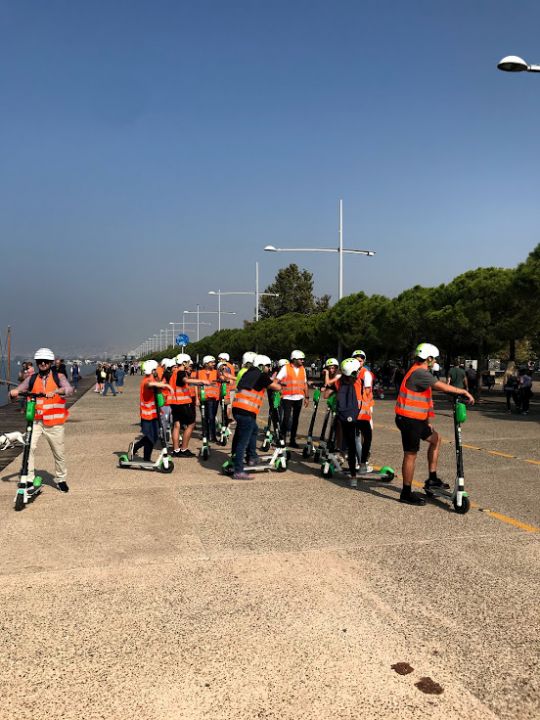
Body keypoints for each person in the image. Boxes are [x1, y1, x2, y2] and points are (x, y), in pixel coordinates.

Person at [395, 343, 474, 506]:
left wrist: (427, 421)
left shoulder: (421, 371)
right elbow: (441, 386)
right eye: (434, 358)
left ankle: (432, 479)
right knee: (411, 454)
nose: (435, 361)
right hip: (408, 419)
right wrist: (463, 391)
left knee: (436, 439)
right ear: (428, 358)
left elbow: (424, 400)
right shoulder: (419, 372)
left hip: (418, 419)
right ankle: (406, 492)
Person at [10, 347, 73, 492]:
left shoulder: (59, 377)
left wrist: (56, 391)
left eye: (45, 361)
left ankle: (61, 478)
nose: (43, 363)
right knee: (28, 448)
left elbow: (68, 389)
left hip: (55, 423)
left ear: (50, 363)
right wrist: (14, 393)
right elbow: (19, 389)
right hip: (37, 421)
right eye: (40, 361)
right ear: (37, 362)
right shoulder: (31, 378)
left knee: (59, 453)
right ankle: (29, 479)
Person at [230, 355, 282, 479]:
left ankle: (252, 457)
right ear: (261, 365)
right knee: (243, 441)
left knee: (253, 429)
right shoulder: (261, 375)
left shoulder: (248, 373)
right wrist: (276, 381)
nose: (269, 368)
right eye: (268, 366)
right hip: (246, 411)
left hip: (237, 408)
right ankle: (238, 470)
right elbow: (277, 388)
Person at [128, 360, 173, 462]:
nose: (157, 370)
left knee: (154, 436)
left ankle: (143, 455)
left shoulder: (153, 377)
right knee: (149, 436)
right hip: (147, 414)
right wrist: (165, 385)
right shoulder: (146, 380)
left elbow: (156, 383)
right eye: (156, 369)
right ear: (152, 370)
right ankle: (139, 450)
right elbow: (149, 385)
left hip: (155, 412)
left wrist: (159, 381)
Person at [168, 353, 208, 457]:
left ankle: (176, 450)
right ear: (183, 363)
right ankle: (184, 448)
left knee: (177, 426)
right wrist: (200, 381)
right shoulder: (181, 372)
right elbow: (185, 380)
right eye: (188, 362)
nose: (189, 364)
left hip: (174, 403)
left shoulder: (175, 372)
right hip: (182, 403)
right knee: (191, 424)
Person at [277, 349, 309, 448]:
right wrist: (282, 384)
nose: (302, 361)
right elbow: (277, 380)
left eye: (303, 359)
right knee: (286, 419)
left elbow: (304, 384)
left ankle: (292, 440)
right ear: (294, 359)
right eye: (301, 359)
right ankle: (281, 439)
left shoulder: (302, 369)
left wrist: (307, 397)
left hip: (298, 397)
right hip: (287, 397)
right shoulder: (286, 368)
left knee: (295, 420)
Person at [351, 350, 375, 473]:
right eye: (356, 359)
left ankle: (362, 460)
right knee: (355, 437)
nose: (359, 361)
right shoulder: (349, 373)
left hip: (365, 410)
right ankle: (360, 462)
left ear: (364, 361)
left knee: (366, 436)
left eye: (361, 360)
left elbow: (367, 392)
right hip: (353, 409)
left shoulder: (366, 374)